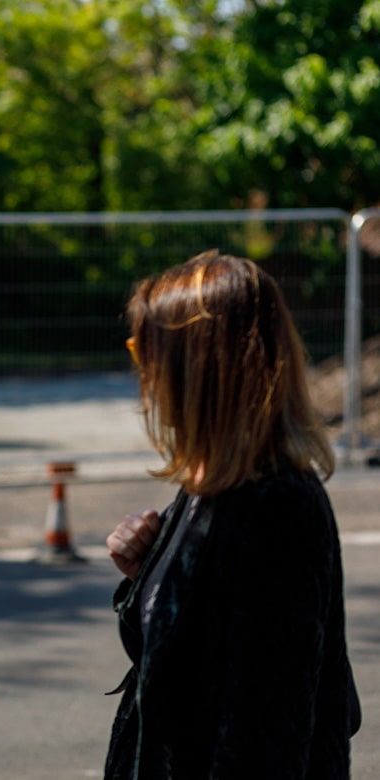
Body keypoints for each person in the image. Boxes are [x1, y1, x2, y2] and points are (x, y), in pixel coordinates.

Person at [103, 250, 362, 778]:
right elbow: (170, 664)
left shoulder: (274, 506)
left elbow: (267, 731)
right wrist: (146, 575)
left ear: (196, 366)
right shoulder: (210, 481)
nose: (140, 374)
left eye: (143, 351)